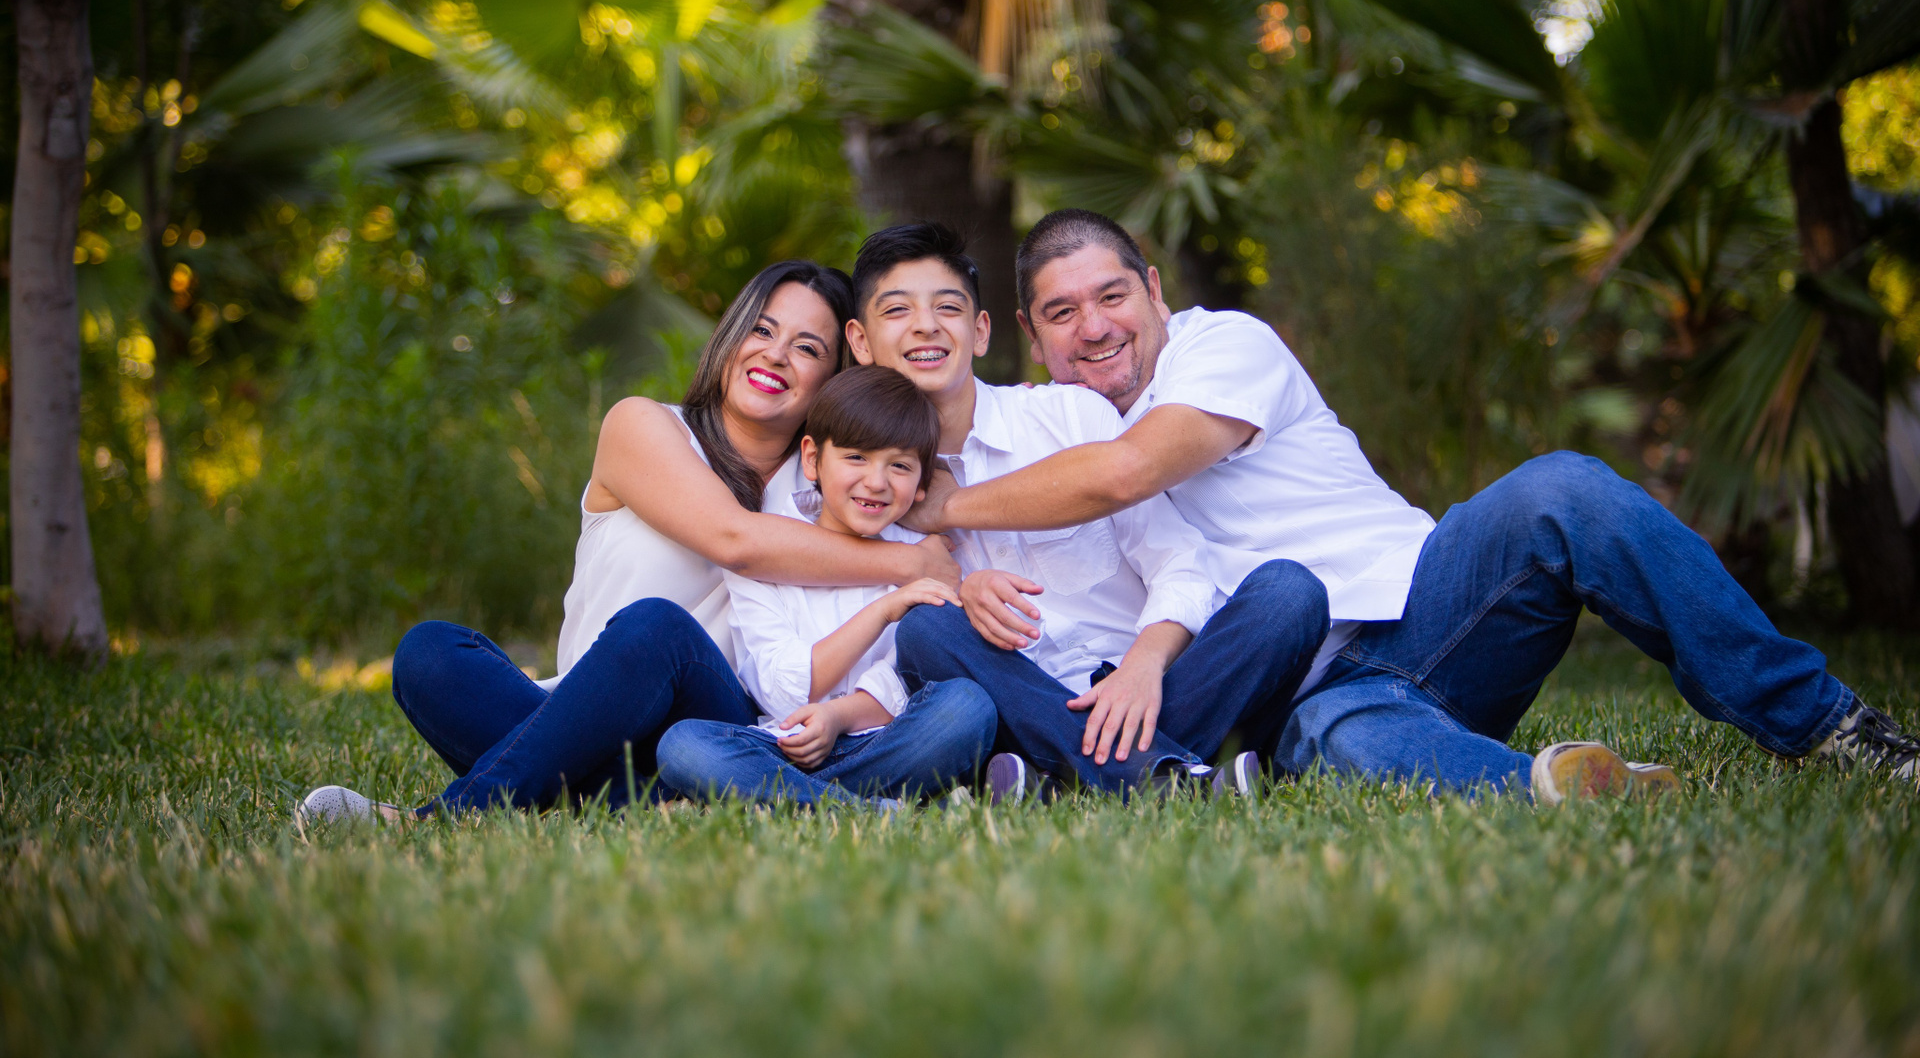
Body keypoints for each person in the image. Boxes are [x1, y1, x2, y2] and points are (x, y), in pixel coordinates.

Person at [909, 209, 1920, 799]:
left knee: (1562, 489)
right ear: (1033, 335)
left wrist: (945, 507)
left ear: (1154, 291)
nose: (1093, 327)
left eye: (1110, 296)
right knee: (1347, 740)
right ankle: (1569, 783)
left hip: (1439, 605)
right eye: (1062, 312)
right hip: (1307, 690)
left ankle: (1826, 722)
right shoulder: (1052, 425)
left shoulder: (1222, 347)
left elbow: (1128, 471)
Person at [298, 261, 962, 824]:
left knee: (658, 629)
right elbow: (734, 538)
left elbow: (923, 480)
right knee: (429, 654)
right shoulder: (644, 427)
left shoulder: (830, 478)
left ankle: (439, 819)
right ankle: (651, 805)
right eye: (761, 330)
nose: (776, 354)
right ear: (730, 337)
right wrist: (913, 563)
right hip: (572, 710)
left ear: (832, 376)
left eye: (808, 348)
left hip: (710, 726)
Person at [846, 223, 1331, 801]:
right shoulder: (861, 487)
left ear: (980, 332)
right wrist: (959, 592)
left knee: (1290, 593)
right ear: (860, 342)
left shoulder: (1071, 417)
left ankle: (1080, 779)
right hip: (1023, 706)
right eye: (897, 310)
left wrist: (1144, 665)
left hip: (1158, 691)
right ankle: (1165, 778)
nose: (926, 325)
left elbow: (1178, 563)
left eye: (947, 307)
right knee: (927, 628)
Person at [656, 366, 997, 806]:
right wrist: (882, 611)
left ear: (921, 484)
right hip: (785, 747)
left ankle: (803, 802)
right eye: (856, 457)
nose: (876, 482)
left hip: (888, 740)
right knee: (683, 744)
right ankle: (862, 809)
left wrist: (838, 717)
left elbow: (910, 678)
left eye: (899, 465)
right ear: (812, 458)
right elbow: (783, 693)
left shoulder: (929, 556)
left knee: (968, 706)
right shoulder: (768, 549)